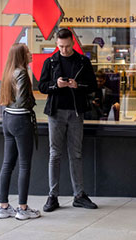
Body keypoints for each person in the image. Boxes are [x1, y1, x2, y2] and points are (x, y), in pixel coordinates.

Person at [38, 28, 98, 212]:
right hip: (56, 112)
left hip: (75, 112)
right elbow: (42, 86)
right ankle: (52, 196)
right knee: (54, 154)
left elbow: (93, 86)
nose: (63, 50)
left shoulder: (83, 61)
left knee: (76, 154)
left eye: (67, 46)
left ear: (73, 43)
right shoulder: (50, 62)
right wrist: (55, 85)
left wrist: (77, 85)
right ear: (56, 44)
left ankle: (79, 195)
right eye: (60, 46)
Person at [0, 43, 41, 220]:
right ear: (22, 55)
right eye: (28, 52)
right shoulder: (22, 73)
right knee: (24, 165)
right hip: (21, 120)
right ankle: (22, 208)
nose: (31, 54)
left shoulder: (8, 72)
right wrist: (32, 101)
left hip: (7, 119)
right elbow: (22, 101)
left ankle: (3, 206)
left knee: (8, 164)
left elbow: (2, 98)